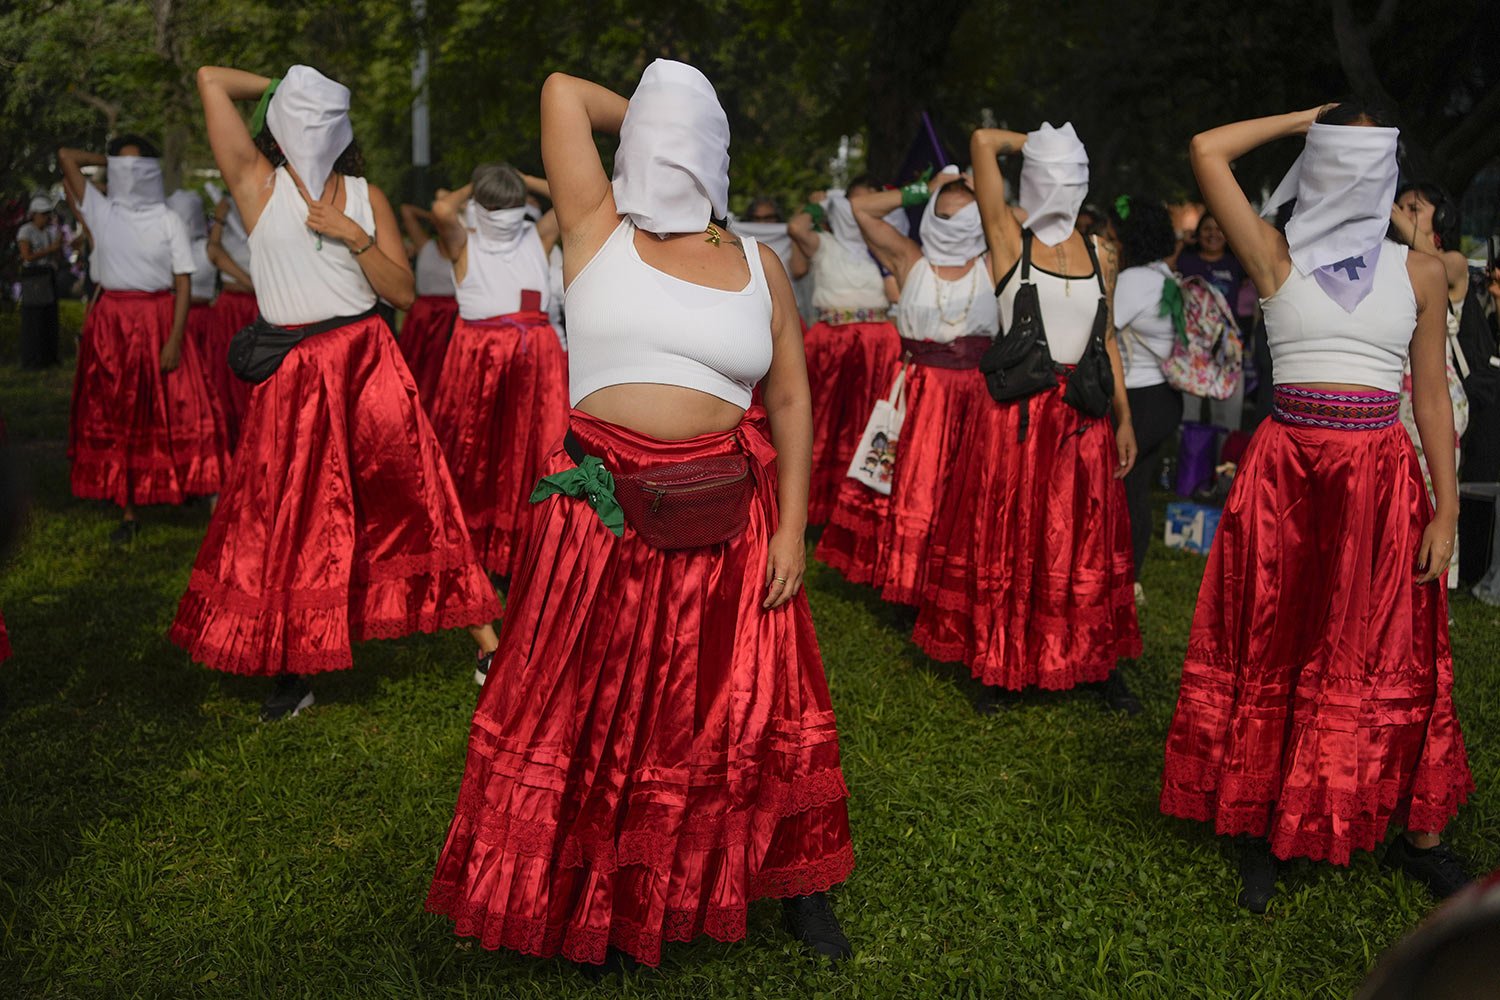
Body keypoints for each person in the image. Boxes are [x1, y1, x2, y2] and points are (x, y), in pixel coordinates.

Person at [425, 60, 855, 972]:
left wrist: (792, 528)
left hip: (730, 523)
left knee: (745, 715)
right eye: (655, 133)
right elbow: (558, 92)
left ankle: (790, 881)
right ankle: (589, 893)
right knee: (592, 715)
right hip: (602, 525)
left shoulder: (758, 264)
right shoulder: (594, 229)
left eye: (683, 136)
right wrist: (662, 110)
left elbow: (789, 401)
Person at [1159, 102, 1473, 914]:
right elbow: (1206, 143)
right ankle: (1267, 822)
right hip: (1286, 476)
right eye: (1342, 156)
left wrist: (1445, 510)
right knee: (1277, 639)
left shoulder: (1421, 272)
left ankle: (1415, 831)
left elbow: (1431, 396)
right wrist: (1308, 118)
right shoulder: (1272, 251)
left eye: (1374, 159)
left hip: (1381, 476)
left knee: (1389, 648)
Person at [171, 65, 501, 721]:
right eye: (303, 112)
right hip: (294, 370)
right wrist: (291, 85)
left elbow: (402, 293)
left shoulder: (364, 194)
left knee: (414, 494)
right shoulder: (255, 185)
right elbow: (209, 79)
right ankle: (294, 670)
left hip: (367, 357)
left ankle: (488, 644)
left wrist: (355, 236)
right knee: (290, 514)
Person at [912, 123, 1143, 715]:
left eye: (1074, 174)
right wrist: (1038, 140)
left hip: (1083, 417)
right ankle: (998, 661)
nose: (1062, 185)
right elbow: (983, 142)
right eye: (1053, 173)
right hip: (1020, 418)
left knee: (1085, 543)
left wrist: (1125, 417)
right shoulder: (1008, 242)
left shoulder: (1101, 254)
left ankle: (1094, 660)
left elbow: (1106, 339)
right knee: (1012, 540)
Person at [817, 166, 999, 605]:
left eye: (966, 214)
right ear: (933, 213)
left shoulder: (996, 262)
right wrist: (922, 190)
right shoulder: (909, 258)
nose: (955, 222)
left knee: (963, 490)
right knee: (910, 484)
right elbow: (859, 207)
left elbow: (1024, 216)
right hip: (918, 392)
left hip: (975, 394)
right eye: (947, 211)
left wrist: (983, 189)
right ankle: (906, 582)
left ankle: (951, 582)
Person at [59, 136, 230, 543]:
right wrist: (115, 164)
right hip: (111, 322)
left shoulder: (167, 218)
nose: (131, 176)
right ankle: (128, 507)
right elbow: (67, 157)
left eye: (140, 168)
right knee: (116, 409)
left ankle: (200, 493)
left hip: (158, 317)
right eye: (124, 169)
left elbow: (184, 285)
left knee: (182, 406)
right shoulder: (102, 211)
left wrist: (174, 339)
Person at [426, 165, 567, 584]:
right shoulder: (490, 239)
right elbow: (567, 193)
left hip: (521, 356)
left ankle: (523, 547)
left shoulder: (495, 238)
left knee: (524, 454)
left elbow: (442, 205)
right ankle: (477, 548)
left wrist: (486, 181)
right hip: (497, 356)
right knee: (484, 455)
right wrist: (511, 180)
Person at [787, 177, 902, 524]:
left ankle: (865, 505)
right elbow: (795, 227)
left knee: (871, 422)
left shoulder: (885, 247)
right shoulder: (824, 243)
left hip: (877, 345)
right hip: (831, 344)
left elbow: (897, 295)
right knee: (823, 423)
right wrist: (817, 204)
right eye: (853, 203)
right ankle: (814, 510)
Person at [1390, 183, 1472, 587]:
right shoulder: (1396, 262)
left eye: (1414, 208)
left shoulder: (1452, 262)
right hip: (1398, 389)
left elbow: (1432, 256)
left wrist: (1387, 208)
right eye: (1402, 207)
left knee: (1437, 486)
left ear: (1441, 216)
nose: (1405, 214)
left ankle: (1437, 579)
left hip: (1437, 386)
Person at [1106, 196, 1184, 598]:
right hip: (1164, 397)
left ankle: (1122, 572)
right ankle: (1130, 574)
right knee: (1137, 486)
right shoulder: (1165, 277)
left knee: (1125, 485)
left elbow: (1102, 328)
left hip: (1139, 397)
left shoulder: (1136, 280)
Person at [166, 189, 227, 450]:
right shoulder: (169, 250)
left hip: (203, 324)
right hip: (178, 320)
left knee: (206, 384)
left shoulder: (206, 248)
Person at [1177, 212, 1250, 431]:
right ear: (1198, 233)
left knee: (1226, 421)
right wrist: (1183, 242)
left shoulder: (1236, 263)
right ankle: (1189, 463)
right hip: (1192, 350)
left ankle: (1225, 464)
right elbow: (1167, 264)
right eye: (1207, 228)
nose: (1213, 234)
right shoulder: (1185, 262)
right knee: (1188, 417)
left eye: (1219, 229)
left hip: (1227, 350)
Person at [204, 188, 258, 447]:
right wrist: (220, 218)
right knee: (225, 378)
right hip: (229, 309)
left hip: (258, 309)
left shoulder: (265, 214)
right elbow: (213, 252)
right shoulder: (225, 217)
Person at [396, 197, 460, 409]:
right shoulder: (425, 245)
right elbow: (406, 209)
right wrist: (433, 216)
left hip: (451, 318)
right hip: (424, 316)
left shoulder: (462, 252)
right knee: (418, 368)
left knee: (445, 372)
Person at [16, 195, 64, 368]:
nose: (45, 218)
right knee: (34, 318)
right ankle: (32, 358)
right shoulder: (26, 231)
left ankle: (48, 356)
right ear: (34, 214)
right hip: (33, 277)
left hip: (47, 274)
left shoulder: (48, 232)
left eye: (47, 214)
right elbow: (26, 256)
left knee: (49, 316)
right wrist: (49, 250)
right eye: (42, 214)